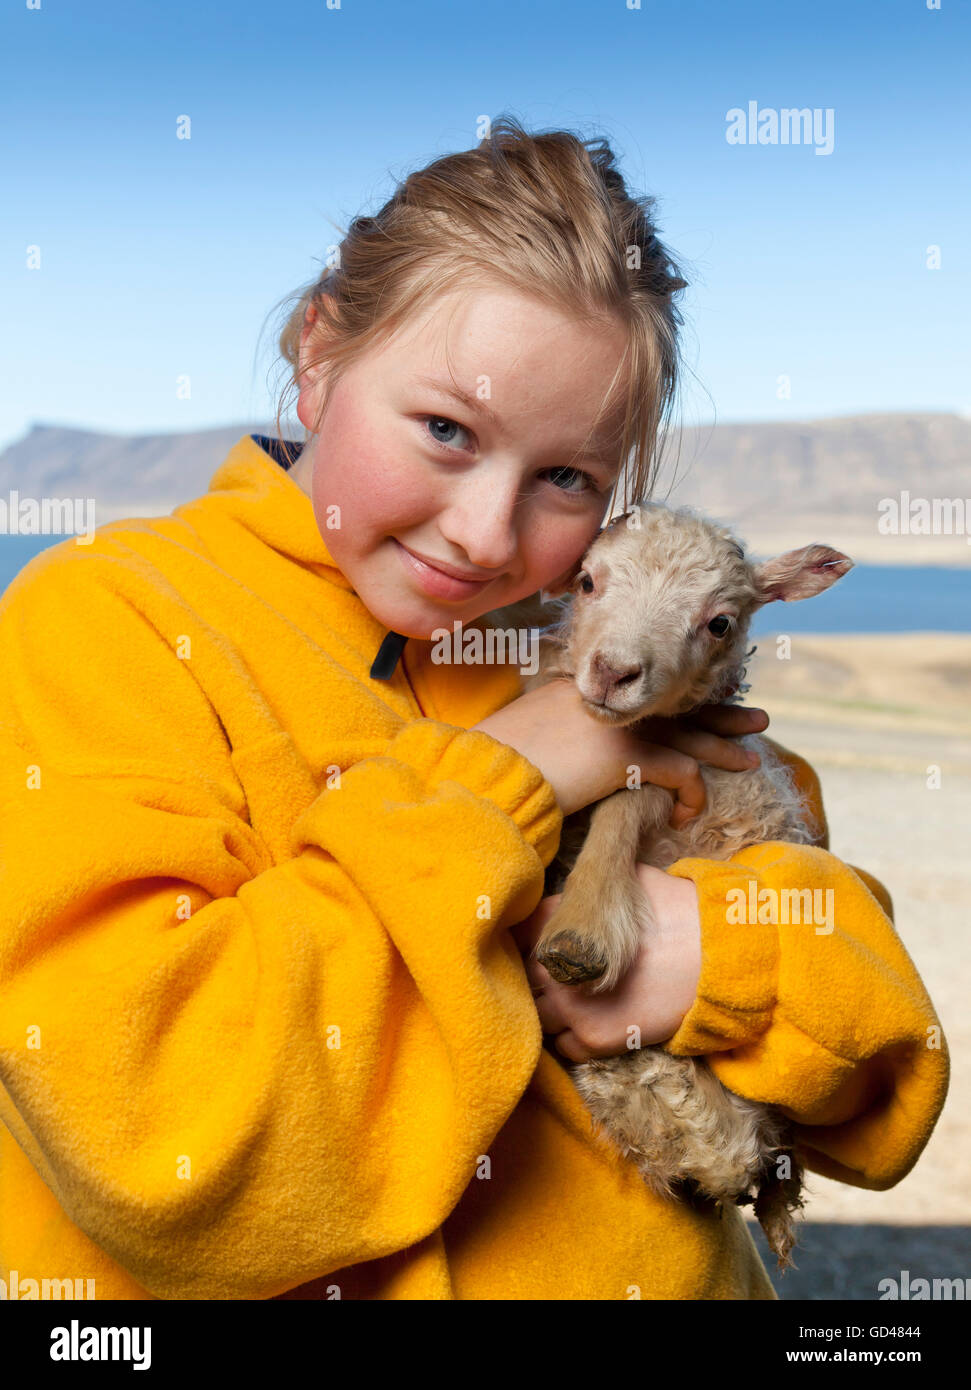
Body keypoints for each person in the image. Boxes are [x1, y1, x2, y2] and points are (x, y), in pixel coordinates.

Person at [0, 117, 948, 1300]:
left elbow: (881, 1074)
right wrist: (508, 772)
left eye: (566, 479)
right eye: (445, 430)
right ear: (320, 350)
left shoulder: (596, 650)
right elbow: (158, 1135)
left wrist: (707, 960)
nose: (487, 535)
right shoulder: (106, 623)